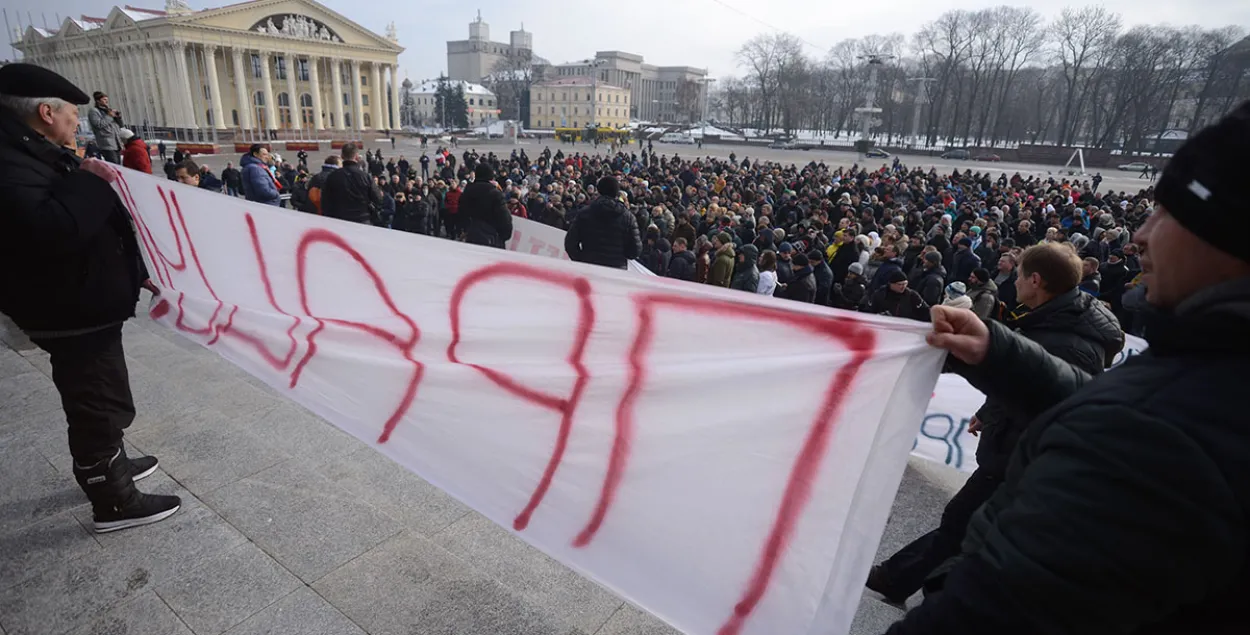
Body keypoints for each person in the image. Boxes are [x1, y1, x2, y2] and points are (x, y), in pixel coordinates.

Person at [873, 240, 1124, 614]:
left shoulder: (1068, 341)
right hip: (1012, 446)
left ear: (1035, 280)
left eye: (1020, 275)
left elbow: (1056, 400)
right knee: (962, 523)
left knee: (964, 524)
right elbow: (1035, 382)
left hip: (1017, 456)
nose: (1014, 282)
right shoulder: (1061, 320)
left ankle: (920, 588)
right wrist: (992, 410)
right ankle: (899, 578)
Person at [0, 63, 180, 532]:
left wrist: (137, 270)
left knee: (104, 393)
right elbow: (52, 229)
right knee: (95, 401)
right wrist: (92, 179)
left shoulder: (32, 151)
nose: (77, 122)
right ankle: (113, 498)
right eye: (70, 114)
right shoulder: (8, 162)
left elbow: (92, 225)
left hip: (82, 299)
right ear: (45, 112)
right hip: (67, 307)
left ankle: (112, 460)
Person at [565, 176, 641, 269]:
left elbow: (570, 243)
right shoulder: (628, 217)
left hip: (589, 266)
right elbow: (635, 250)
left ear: (599, 190)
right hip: (616, 269)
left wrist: (581, 259)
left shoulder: (585, 213)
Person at [321, 142, 383, 225]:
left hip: (339, 220)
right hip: (362, 219)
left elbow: (325, 201)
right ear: (357, 157)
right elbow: (378, 199)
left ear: (342, 156)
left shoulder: (333, 176)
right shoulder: (365, 176)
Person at [460, 163, 512, 248]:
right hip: (492, 238)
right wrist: (504, 236)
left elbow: (461, 213)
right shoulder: (495, 194)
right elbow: (504, 218)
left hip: (471, 236)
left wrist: (464, 230)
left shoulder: (467, 192)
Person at [87, 91, 123, 164]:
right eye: (104, 99)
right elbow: (98, 124)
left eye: (107, 99)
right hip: (106, 143)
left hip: (116, 142)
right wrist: (110, 116)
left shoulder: (108, 110)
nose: (107, 101)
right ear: (98, 101)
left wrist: (118, 117)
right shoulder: (93, 111)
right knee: (114, 166)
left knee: (119, 166)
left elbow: (120, 125)